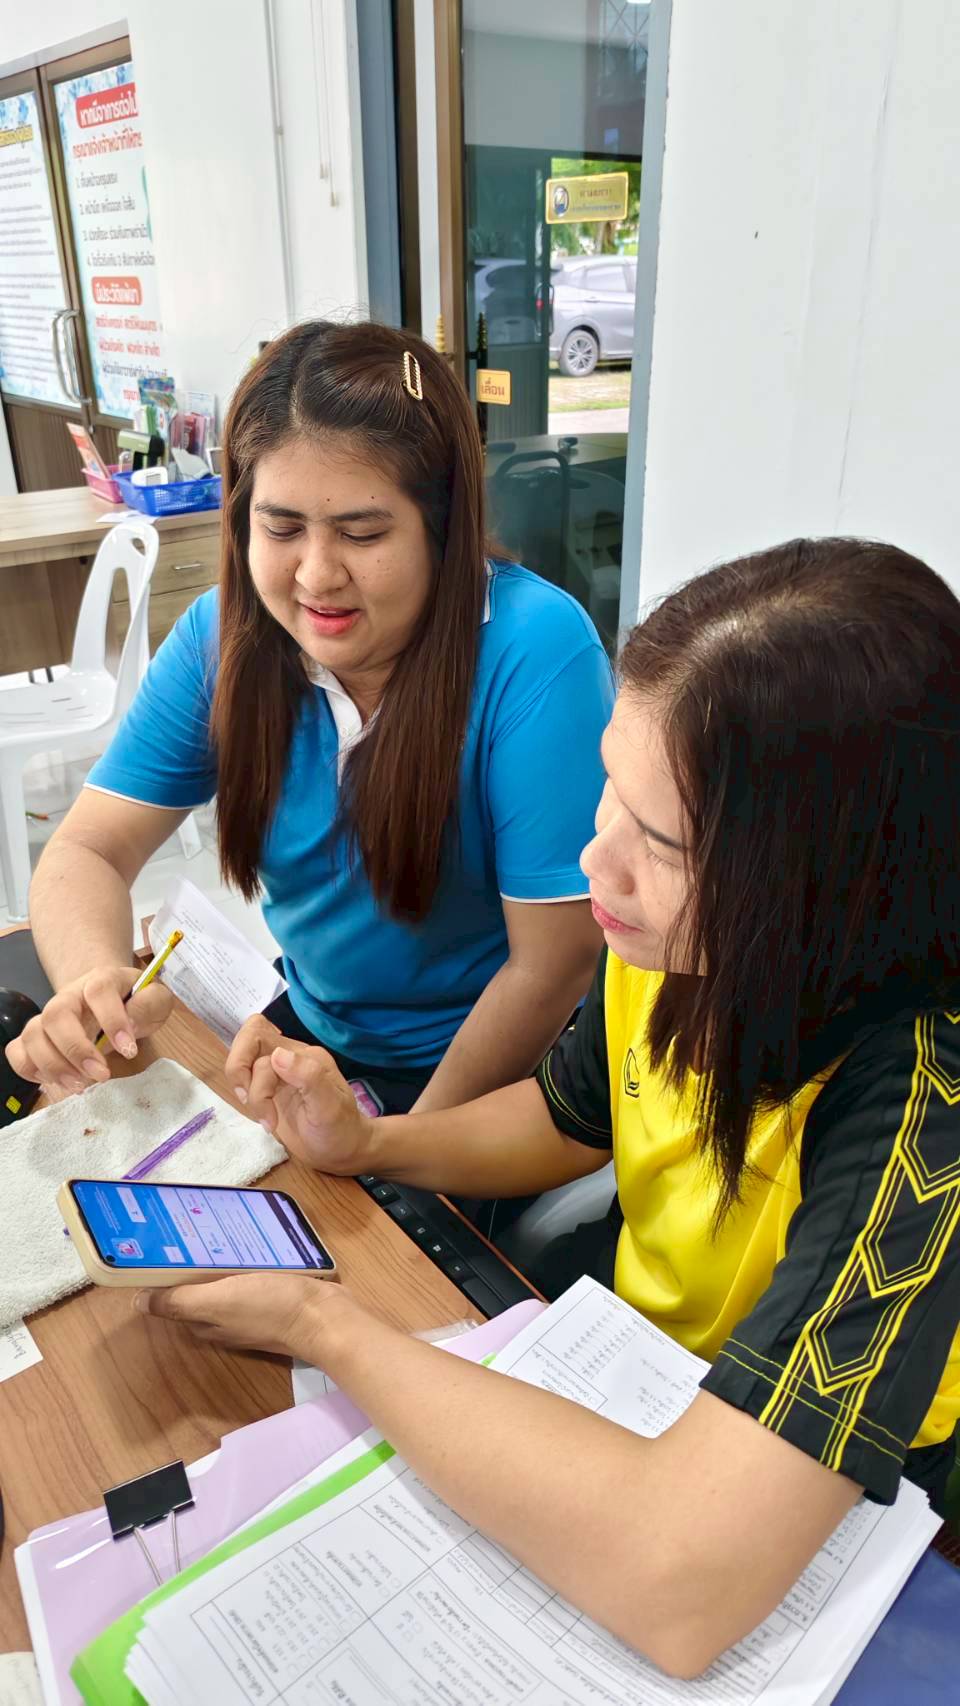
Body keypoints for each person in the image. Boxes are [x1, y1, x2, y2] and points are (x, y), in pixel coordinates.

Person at [139, 537, 960, 1675]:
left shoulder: (925, 1097)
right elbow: (571, 1116)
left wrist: (324, 1326)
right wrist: (371, 1140)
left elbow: (682, 1585)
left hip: (848, 1493)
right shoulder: (670, 939)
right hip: (638, 1375)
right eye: (611, 791)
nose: (593, 861)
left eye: (660, 840)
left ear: (832, 878)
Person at [7, 322, 611, 1115]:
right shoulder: (222, 636)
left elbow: (552, 966)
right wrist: (93, 979)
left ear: (443, 525)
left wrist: (394, 1154)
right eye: (281, 528)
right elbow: (88, 847)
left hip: (497, 1065)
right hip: (316, 1033)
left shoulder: (535, 650)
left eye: (363, 532)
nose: (318, 576)